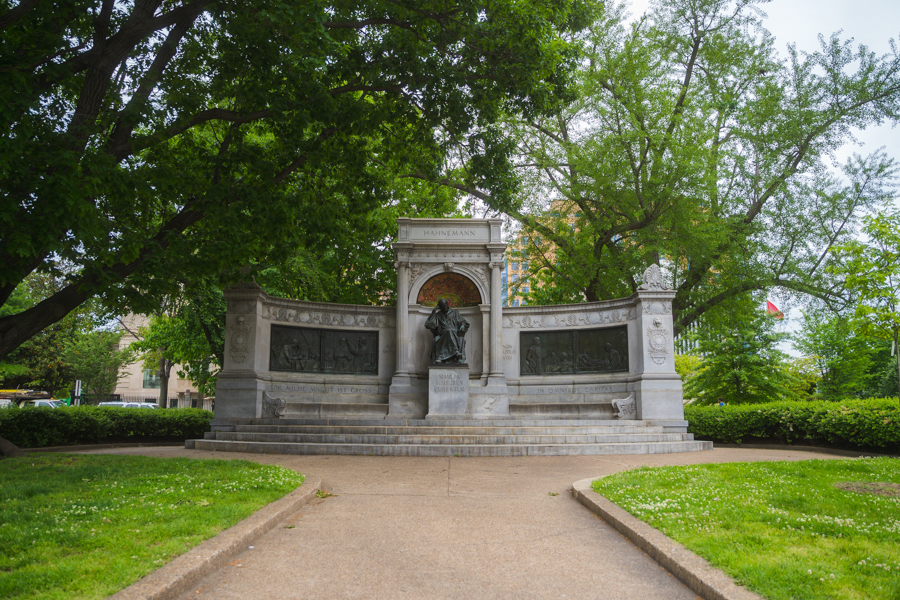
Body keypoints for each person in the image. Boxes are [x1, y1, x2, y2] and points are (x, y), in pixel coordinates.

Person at [425, 298, 469, 364]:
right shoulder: (438, 315)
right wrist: (433, 312)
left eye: (445, 305)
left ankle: (441, 357)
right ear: (439, 307)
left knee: (449, 331)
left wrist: (462, 326)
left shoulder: (454, 313)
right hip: (442, 334)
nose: (445, 307)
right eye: (442, 306)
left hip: (454, 333)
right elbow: (428, 325)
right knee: (448, 331)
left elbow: (462, 322)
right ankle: (456, 352)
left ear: (448, 304)